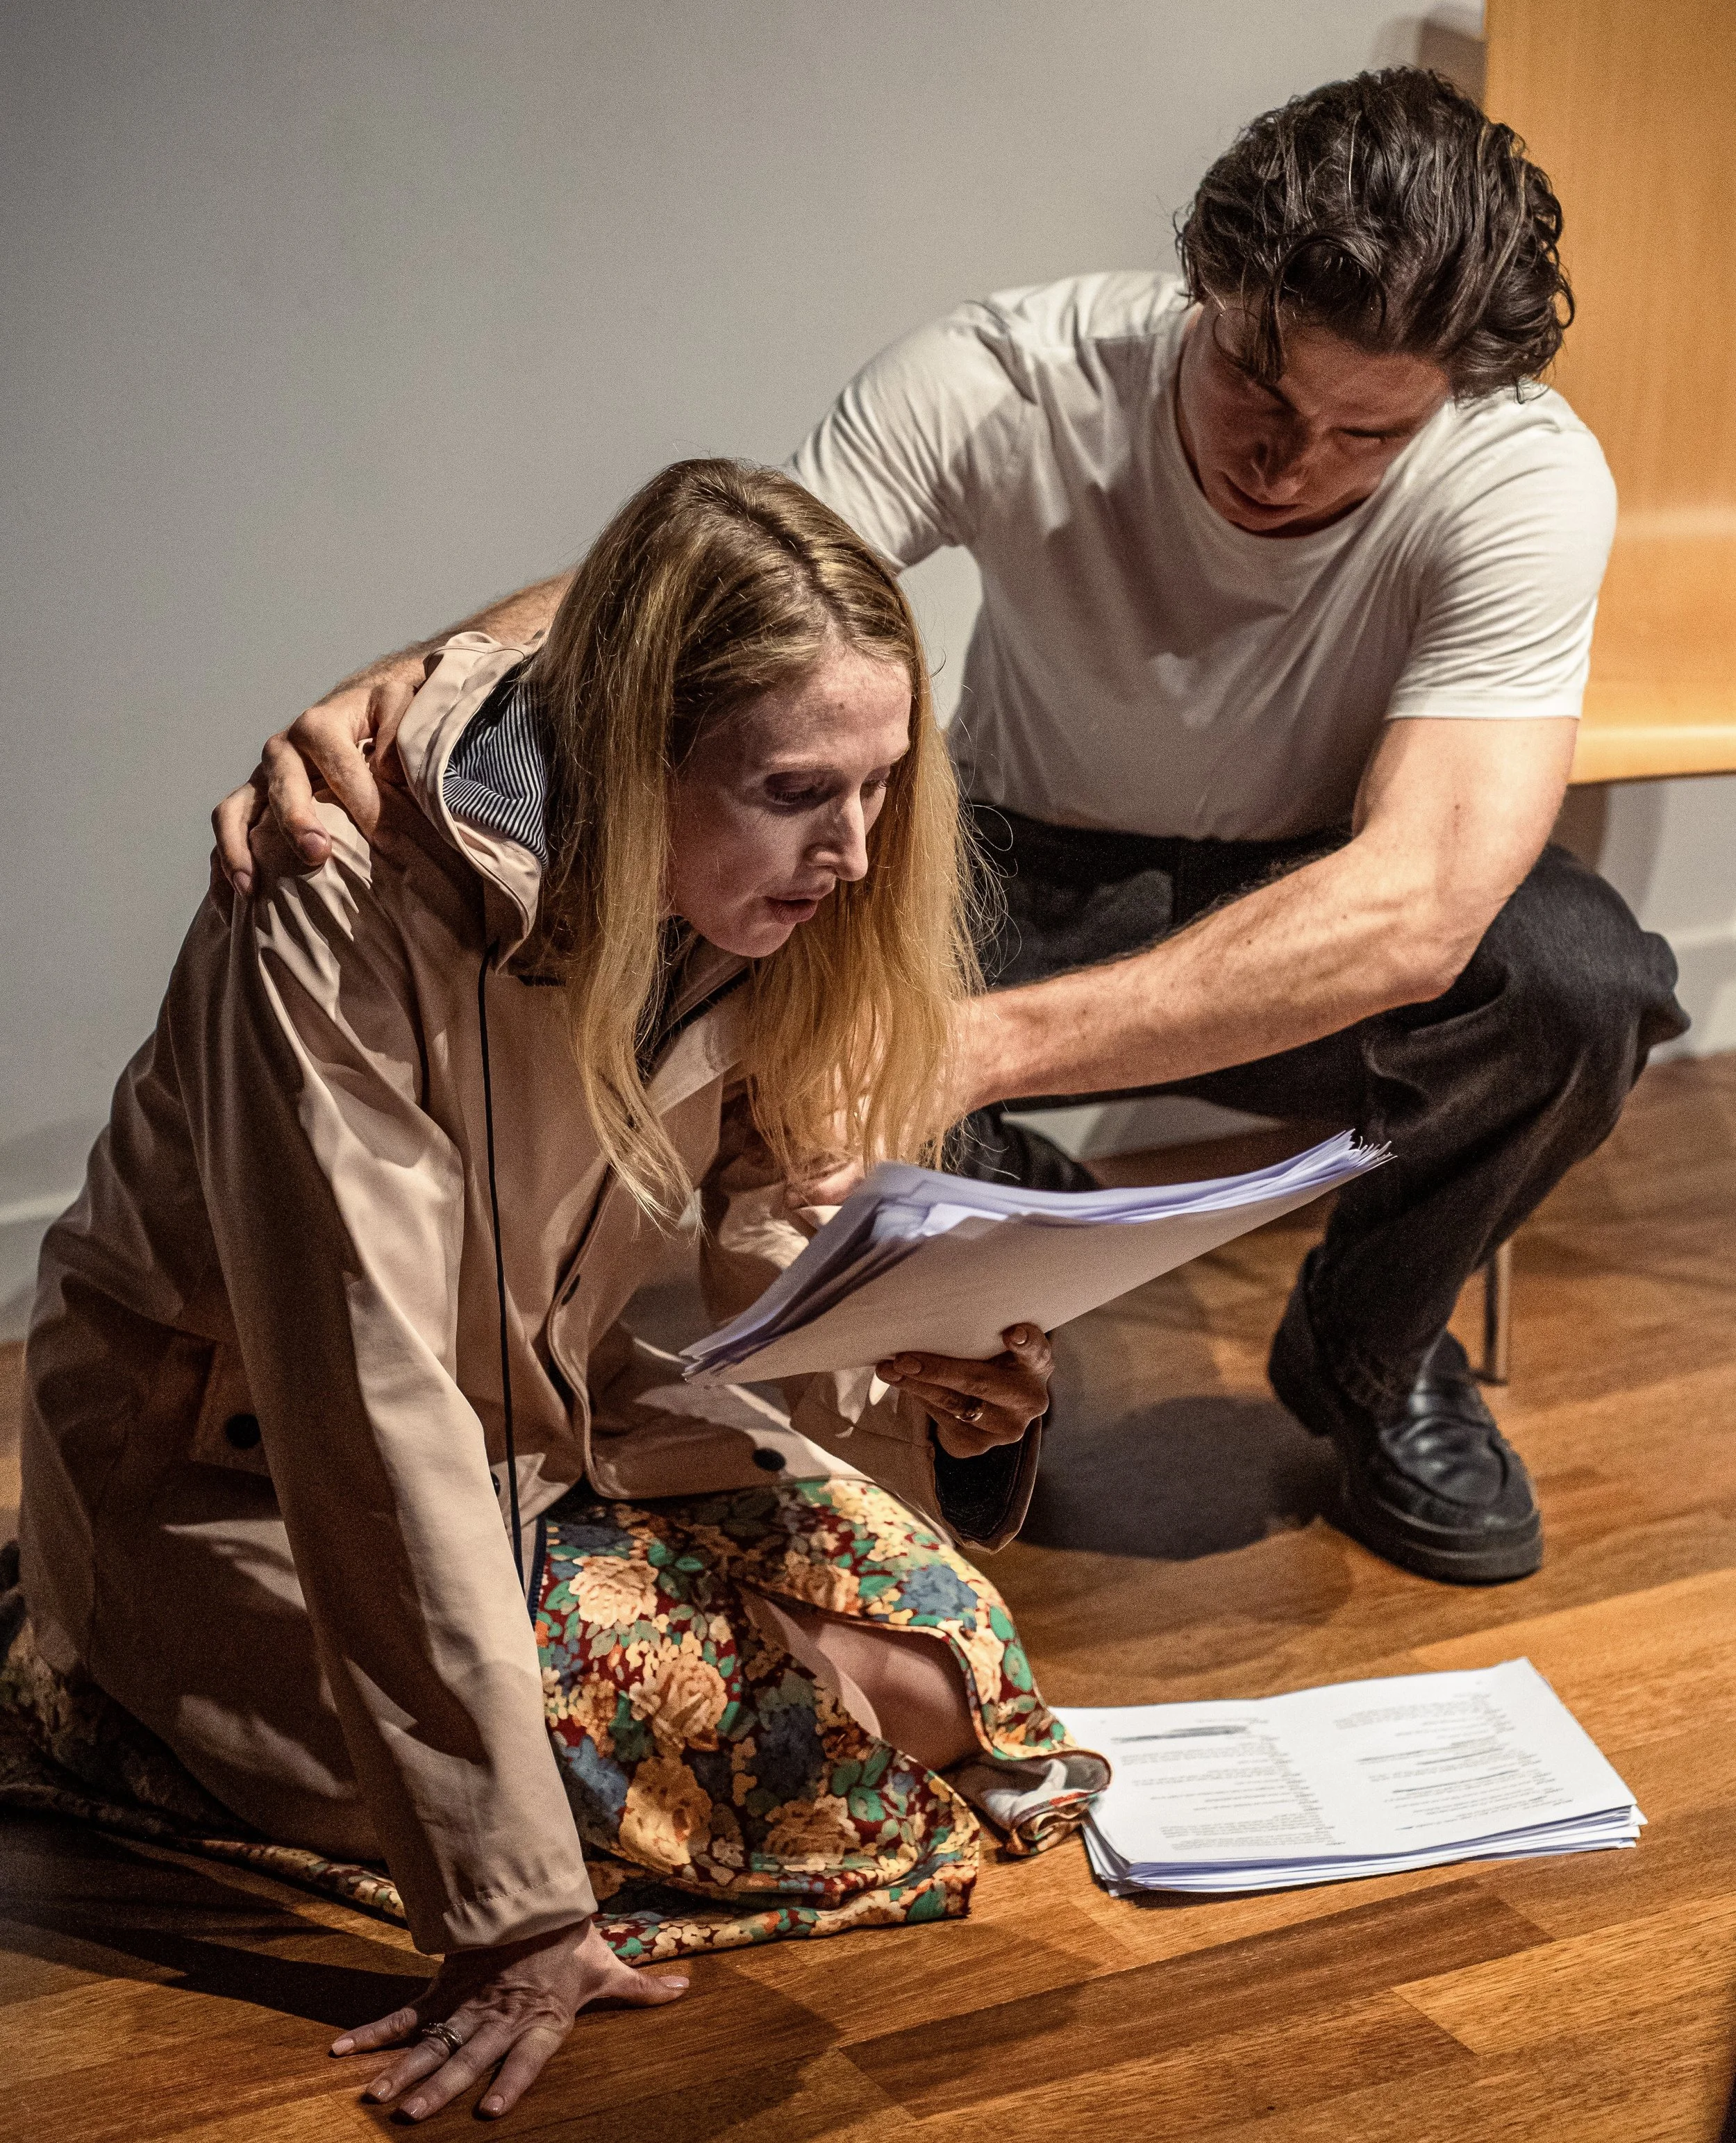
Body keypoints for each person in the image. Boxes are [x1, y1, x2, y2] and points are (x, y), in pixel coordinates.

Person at [213, 68, 1687, 1590]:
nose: (1287, 459)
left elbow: (1418, 902)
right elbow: (701, 600)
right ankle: (1006, 1211)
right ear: (1206, 282)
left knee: (1572, 982)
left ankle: (1367, 1362)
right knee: (794, 935)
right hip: (1009, 867)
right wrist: (407, 687)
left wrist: (967, 1052)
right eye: (1256, 379)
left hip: (1302, 891)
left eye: (1361, 436)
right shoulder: (1001, 376)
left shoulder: (1516, 470)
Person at [15, 461, 1105, 2125]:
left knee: (959, 1675)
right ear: (624, 749)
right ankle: (87, 1666)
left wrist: (934, 1360)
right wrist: (510, 1909)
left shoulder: (752, 884)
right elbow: (366, 1401)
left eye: (884, 784)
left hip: (545, 1425)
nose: (855, 846)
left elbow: (756, 1245)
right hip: (249, 1480)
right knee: (811, 1773)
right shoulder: (335, 895)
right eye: (801, 789)